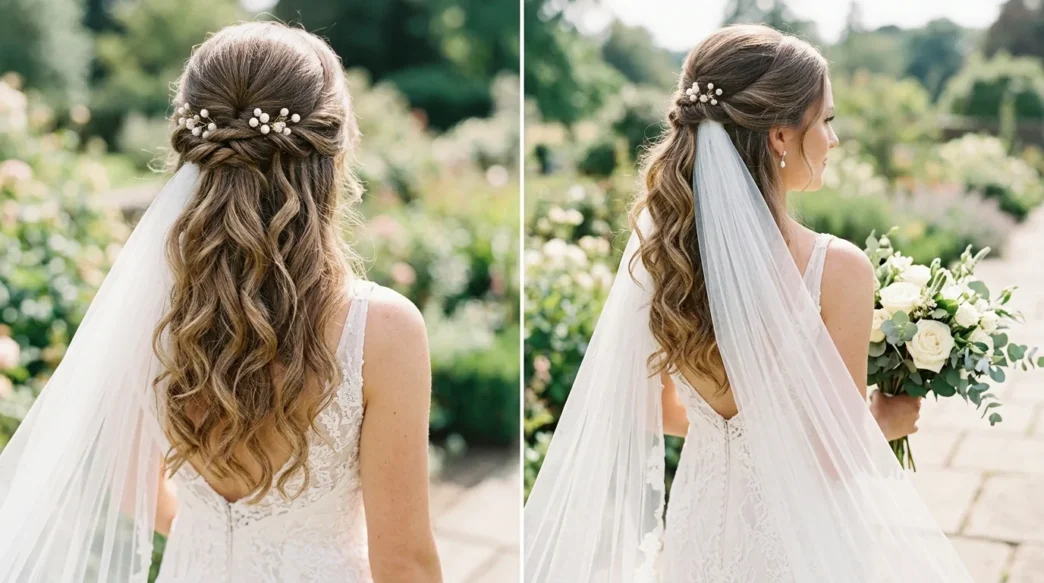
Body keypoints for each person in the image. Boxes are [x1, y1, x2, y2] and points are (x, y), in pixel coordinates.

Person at [524, 24, 971, 582]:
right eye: (826, 119)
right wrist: (888, 418)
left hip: (696, 524)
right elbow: (835, 455)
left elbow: (657, 408)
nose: (834, 139)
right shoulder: (837, 270)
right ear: (781, 137)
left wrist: (729, 435)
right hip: (797, 542)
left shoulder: (665, 258)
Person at [0, 22, 441, 583]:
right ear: (337, 149)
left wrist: (216, 538)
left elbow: (133, 485)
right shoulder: (382, 330)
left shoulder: (149, 305)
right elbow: (404, 562)